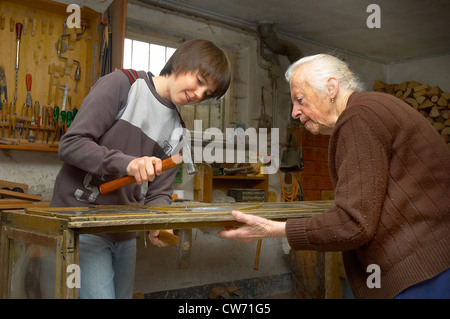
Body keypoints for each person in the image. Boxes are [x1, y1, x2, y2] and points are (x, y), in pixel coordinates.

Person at [218, 53, 450, 299]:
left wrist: (274, 229)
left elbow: (353, 224)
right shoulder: (371, 108)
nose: (294, 112)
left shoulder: (358, 118)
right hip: (433, 262)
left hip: (420, 274)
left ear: (331, 88)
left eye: (300, 99)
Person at [50, 39, 231, 299]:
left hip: (124, 231)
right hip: (82, 223)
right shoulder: (123, 85)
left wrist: (161, 220)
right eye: (200, 81)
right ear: (181, 62)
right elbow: (71, 145)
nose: (200, 95)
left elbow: (160, 192)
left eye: (207, 94)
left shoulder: (178, 130)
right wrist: (128, 163)